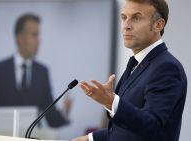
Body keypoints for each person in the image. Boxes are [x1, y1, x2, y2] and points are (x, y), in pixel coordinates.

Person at [73, 0, 187, 141]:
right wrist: (90, 138)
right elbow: (126, 131)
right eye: (124, 17)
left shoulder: (167, 67)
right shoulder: (137, 64)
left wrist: (112, 102)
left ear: (158, 25)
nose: (126, 26)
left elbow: (152, 126)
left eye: (136, 18)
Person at [0, 13, 71, 128]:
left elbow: (51, 117)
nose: (39, 40)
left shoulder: (42, 72)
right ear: (20, 38)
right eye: (34, 35)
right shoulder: (0, 69)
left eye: (39, 35)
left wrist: (64, 112)